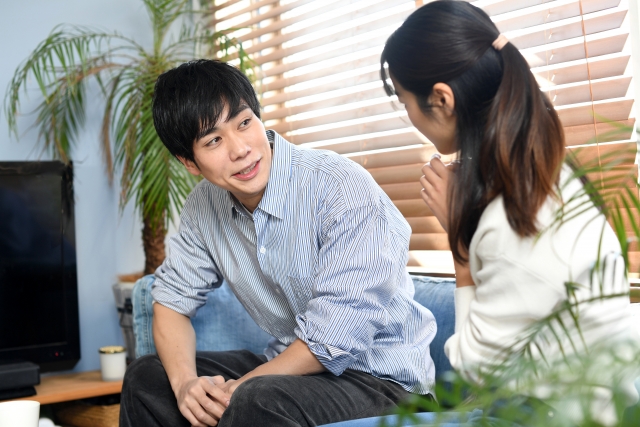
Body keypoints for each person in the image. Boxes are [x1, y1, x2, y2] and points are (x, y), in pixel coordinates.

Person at [119, 59, 438, 427]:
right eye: (214, 141)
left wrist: (238, 387)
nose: (240, 149)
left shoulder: (339, 187)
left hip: (384, 383)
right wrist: (186, 385)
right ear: (189, 162)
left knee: (257, 399)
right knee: (148, 377)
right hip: (290, 373)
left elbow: (330, 341)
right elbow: (171, 303)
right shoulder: (204, 206)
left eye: (244, 123)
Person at [380, 1, 639, 425]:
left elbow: (475, 372)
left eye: (404, 100)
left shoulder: (508, 220)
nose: (408, 115)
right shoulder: (551, 174)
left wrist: (460, 241)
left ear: (441, 98)